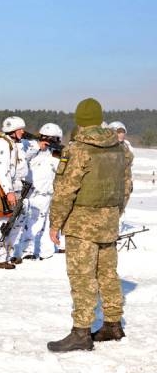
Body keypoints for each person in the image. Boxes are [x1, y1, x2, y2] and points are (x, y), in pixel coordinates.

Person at [47, 98, 132, 352]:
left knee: (82, 277)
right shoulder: (120, 148)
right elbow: (126, 186)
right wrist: (115, 213)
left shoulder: (78, 149)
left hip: (82, 225)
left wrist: (55, 223)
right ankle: (113, 324)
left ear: (80, 121)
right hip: (108, 221)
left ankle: (81, 332)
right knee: (108, 273)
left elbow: (65, 191)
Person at [0, 116, 28, 269]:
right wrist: (8, 191)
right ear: (13, 131)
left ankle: (7, 254)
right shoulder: (2, 144)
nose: (23, 132)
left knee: (14, 223)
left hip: (14, 189)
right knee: (3, 223)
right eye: (20, 129)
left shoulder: (15, 144)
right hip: (3, 192)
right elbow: (0, 171)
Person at [18, 123, 63, 260]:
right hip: (34, 194)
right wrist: (38, 146)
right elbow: (22, 157)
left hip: (51, 194)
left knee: (49, 225)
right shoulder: (31, 150)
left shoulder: (56, 155)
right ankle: (27, 252)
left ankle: (47, 252)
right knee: (32, 224)